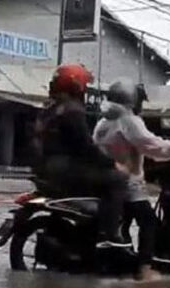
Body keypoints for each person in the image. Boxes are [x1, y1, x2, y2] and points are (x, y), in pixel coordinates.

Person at [93, 79, 170, 280]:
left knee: (124, 224)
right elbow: (152, 146)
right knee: (149, 222)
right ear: (131, 100)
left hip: (107, 182)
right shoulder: (128, 121)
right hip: (128, 184)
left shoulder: (103, 122)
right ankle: (144, 268)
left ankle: (123, 262)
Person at [33, 64, 129, 248]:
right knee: (118, 180)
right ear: (76, 85)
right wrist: (111, 163)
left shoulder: (50, 108)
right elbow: (85, 147)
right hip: (66, 169)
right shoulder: (72, 110)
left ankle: (88, 228)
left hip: (48, 168)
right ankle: (107, 234)